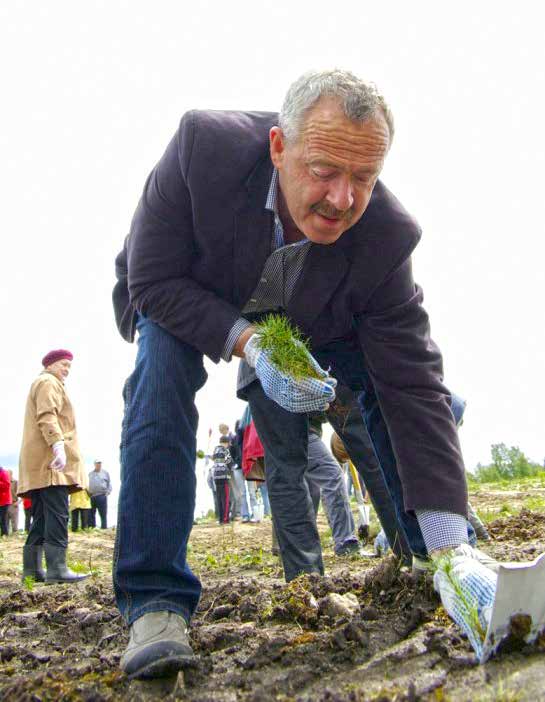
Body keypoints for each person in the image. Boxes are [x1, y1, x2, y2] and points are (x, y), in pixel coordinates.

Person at [113, 69, 500, 678]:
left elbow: (413, 383)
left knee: (379, 389)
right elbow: (152, 281)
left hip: (315, 307)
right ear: (278, 148)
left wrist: (454, 545)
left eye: (364, 179)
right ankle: (154, 601)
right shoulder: (202, 150)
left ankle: (432, 554)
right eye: (324, 172)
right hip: (187, 286)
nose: (342, 200)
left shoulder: (384, 237)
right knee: (159, 379)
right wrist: (251, 344)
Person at [18, 349, 90, 583]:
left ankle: (32, 570)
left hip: (41, 463)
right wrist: (57, 444)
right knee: (58, 514)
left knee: (41, 516)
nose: (66, 370)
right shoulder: (48, 382)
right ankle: (57, 569)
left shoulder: (42, 382)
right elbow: (47, 415)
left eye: (69, 366)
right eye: (63, 365)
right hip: (51, 464)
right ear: (49, 365)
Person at [211, 437, 233, 524]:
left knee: (219, 498)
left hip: (216, 476)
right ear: (226, 443)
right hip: (224, 476)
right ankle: (226, 519)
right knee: (226, 498)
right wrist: (232, 467)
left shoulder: (215, 450)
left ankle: (220, 519)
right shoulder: (225, 450)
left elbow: (213, 459)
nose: (228, 445)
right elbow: (229, 463)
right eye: (228, 444)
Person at [88, 460, 112, 529]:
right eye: (97, 463)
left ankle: (104, 528)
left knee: (103, 513)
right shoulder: (90, 474)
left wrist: (108, 492)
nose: (99, 464)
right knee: (91, 513)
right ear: (94, 464)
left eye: (100, 463)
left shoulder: (105, 473)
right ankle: (92, 528)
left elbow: (109, 484)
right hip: (92, 496)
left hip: (102, 495)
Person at [0, 466, 12, 536]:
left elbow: (7, 485)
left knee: (2, 519)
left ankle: (4, 534)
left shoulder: (3, 472)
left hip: (4, 500)